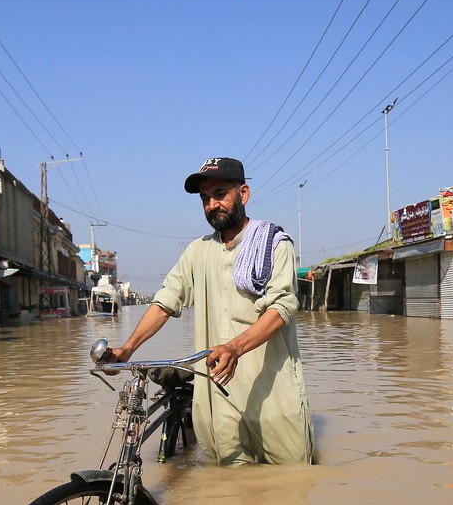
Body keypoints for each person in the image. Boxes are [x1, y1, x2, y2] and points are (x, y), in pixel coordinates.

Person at [106, 157, 315, 465]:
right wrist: (126, 349)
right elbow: (165, 301)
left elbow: (282, 307)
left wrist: (234, 347)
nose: (212, 204)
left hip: (272, 394)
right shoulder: (197, 252)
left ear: (243, 194)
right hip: (218, 397)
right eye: (205, 198)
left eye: (220, 194)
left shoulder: (274, 245)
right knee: (227, 493)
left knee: (290, 487)